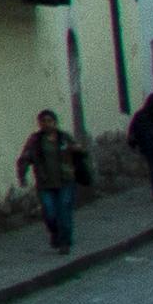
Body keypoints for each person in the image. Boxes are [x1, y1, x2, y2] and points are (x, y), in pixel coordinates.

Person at [18, 107, 93, 253]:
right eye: (43, 122)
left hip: (65, 180)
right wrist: (22, 174)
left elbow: (81, 151)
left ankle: (65, 241)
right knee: (49, 213)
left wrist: (79, 150)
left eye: (49, 121)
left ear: (55, 122)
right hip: (45, 182)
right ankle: (55, 233)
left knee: (64, 210)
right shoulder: (35, 140)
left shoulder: (64, 137)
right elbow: (25, 157)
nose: (46, 124)